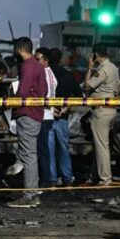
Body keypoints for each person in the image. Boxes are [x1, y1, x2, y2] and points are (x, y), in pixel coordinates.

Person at [8, 37, 46, 208]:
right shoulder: (38, 65)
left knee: (28, 155)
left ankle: (29, 195)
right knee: (31, 155)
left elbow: (22, 91)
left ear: (19, 49)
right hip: (36, 113)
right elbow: (44, 91)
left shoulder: (27, 66)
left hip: (27, 113)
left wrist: (11, 101)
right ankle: (33, 193)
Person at [83, 43, 120, 186]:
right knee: (99, 145)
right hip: (109, 109)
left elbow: (87, 86)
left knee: (101, 146)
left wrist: (89, 68)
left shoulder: (103, 69)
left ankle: (105, 179)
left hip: (101, 110)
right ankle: (95, 176)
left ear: (95, 55)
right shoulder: (114, 68)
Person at [50, 48, 81, 186]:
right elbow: (79, 96)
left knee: (48, 149)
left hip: (47, 115)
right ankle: (67, 176)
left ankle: (51, 177)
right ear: (61, 59)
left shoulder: (45, 74)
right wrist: (66, 108)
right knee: (63, 148)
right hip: (63, 116)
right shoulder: (68, 75)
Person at [35, 48, 58, 187]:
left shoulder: (44, 74)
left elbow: (44, 96)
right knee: (46, 149)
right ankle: (48, 177)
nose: (36, 62)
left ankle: (46, 179)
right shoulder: (50, 74)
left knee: (43, 150)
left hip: (44, 115)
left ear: (45, 61)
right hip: (47, 115)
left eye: (38, 59)